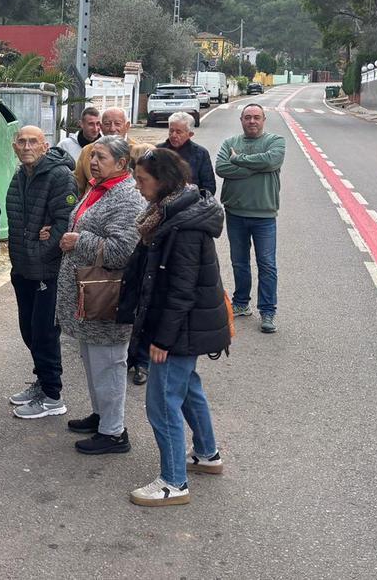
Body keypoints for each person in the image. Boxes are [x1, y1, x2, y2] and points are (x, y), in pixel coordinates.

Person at [121, 148, 229, 507]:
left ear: (164, 181)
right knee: (188, 389)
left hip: (179, 328)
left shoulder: (181, 225)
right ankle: (206, 454)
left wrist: (162, 339)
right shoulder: (172, 212)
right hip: (188, 324)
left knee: (163, 402)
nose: (137, 186)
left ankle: (173, 482)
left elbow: (181, 289)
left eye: (142, 180)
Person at [56, 135, 145, 454]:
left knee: (108, 362)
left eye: (102, 157)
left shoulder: (126, 196)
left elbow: (124, 250)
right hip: (90, 294)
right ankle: (102, 415)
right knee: (94, 360)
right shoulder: (98, 186)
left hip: (108, 297)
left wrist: (79, 241)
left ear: (122, 163)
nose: (93, 162)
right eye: (93, 155)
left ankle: (113, 432)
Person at [6, 125, 77, 418]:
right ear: (14, 146)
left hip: (47, 270)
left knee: (45, 332)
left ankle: (52, 395)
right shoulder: (22, 175)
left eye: (32, 141)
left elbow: (65, 222)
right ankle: (42, 380)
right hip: (23, 268)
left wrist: (39, 251)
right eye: (21, 141)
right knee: (29, 330)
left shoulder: (60, 176)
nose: (26, 146)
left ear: (45, 146)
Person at [215, 103, 285, 334]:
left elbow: (272, 160)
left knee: (267, 264)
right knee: (239, 262)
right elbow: (222, 168)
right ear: (241, 120)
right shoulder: (229, 143)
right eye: (247, 117)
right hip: (235, 212)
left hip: (264, 214)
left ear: (264, 119)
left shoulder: (276, 141)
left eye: (256, 117)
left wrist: (239, 160)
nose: (252, 121)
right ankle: (241, 303)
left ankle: (267, 311)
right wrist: (257, 166)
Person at [73, 106, 136, 195]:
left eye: (117, 124)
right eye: (107, 124)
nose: (112, 129)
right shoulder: (88, 151)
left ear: (127, 126)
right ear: (101, 127)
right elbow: (78, 187)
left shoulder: (137, 151)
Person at [157, 112, 216, 196]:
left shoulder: (200, 153)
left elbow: (209, 187)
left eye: (178, 132)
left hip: (191, 205)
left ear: (190, 134)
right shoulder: (158, 151)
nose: (173, 135)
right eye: (171, 130)